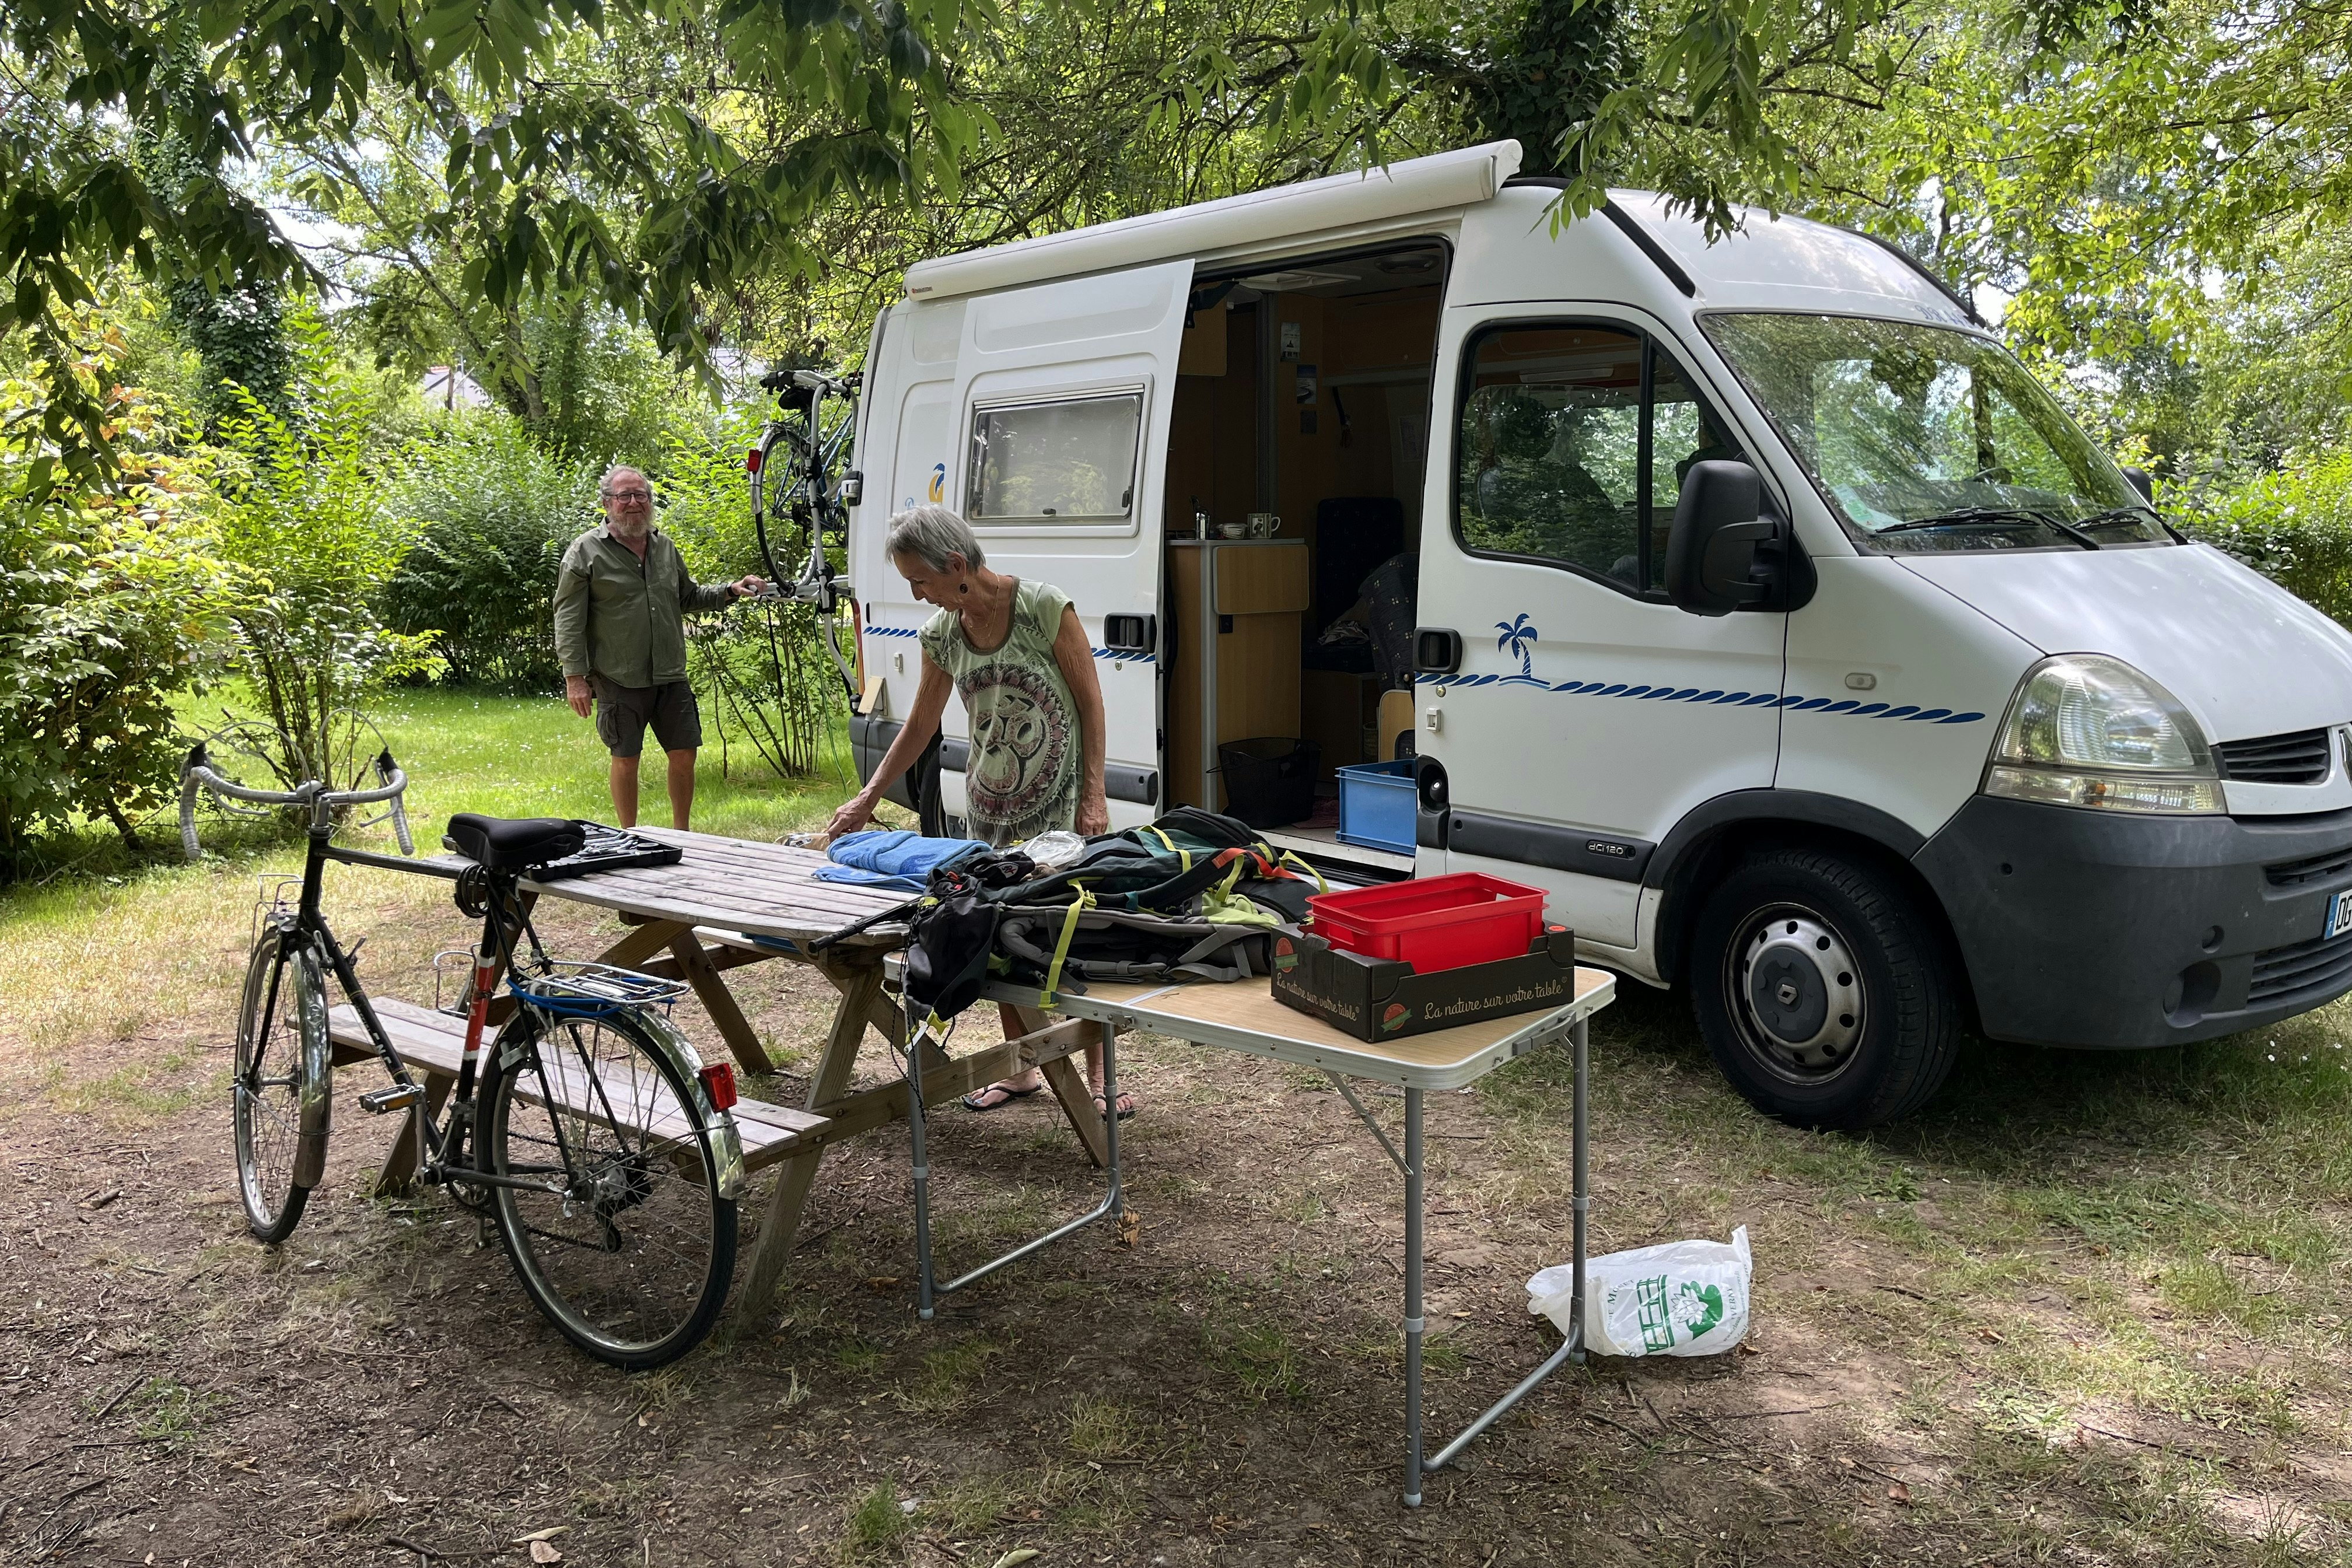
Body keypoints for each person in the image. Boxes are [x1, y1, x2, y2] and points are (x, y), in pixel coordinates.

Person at [825, 505, 1131, 1120]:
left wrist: (1095, 793)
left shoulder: (1044, 608)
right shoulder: (942, 633)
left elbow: (1092, 706)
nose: (917, 594)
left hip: (1062, 799)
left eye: (922, 581)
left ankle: (1102, 1077)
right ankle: (1021, 1068)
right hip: (992, 803)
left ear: (958, 566)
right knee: (997, 930)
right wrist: (869, 796)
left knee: (1071, 934)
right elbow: (921, 727)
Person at [554, 465, 766, 830]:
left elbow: (687, 596)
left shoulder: (664, 547)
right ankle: (629, 836)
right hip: (617, 674)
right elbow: (568, 618)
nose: (634, 503)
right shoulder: (585, 552)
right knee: (626, 757)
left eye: (641, 495)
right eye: (625, 496)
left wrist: (731, 590)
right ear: (607, 504)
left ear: (650, 502)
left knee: (685, 753)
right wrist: (575, 678)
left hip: (670, 671)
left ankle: (683, 835)